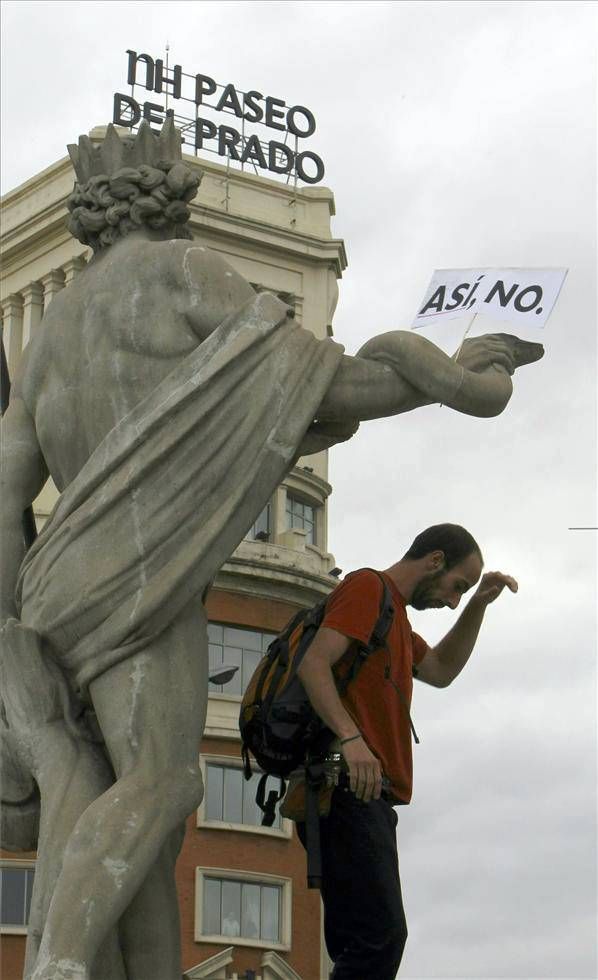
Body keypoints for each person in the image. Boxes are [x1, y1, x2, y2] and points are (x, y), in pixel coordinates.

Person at [0, 116, 541, 980]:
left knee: (100, 791)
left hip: (53, 584)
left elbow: (3, 497)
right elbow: (333, 380)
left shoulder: (51, 334)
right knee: (165, 781)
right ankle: (59, 965)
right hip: (145, 575)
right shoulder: (182, 272)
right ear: (168, 198)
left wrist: (9, 634)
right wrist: (468, 375)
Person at [294, 524, 518, 980]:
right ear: (435, 560)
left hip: (365, 796)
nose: (452, 600)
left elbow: (438, 669)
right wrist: (351, 738)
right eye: (458, 586)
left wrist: (477, 606)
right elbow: (313, 664)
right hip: (346, 787)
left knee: (364, 943)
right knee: (380, 940)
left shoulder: (393, 617)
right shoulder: (367, 588)